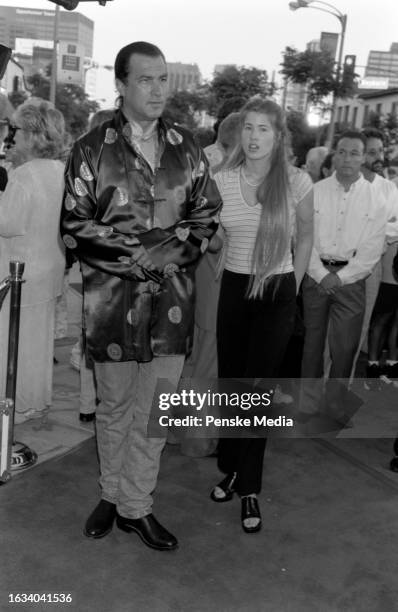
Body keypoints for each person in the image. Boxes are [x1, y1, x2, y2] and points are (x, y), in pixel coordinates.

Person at [60, 41, 221, 551]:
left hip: (171, 301)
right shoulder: (90, 148)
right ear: (122, 84)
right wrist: (137, 257)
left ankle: (136, 507)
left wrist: (164, 257)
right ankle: (110, 494)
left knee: (154, 410)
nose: (157, 90)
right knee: (113, 406)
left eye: (163, 79)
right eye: (146, 79)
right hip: (110, 301)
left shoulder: (188, 147)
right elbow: (74, 224)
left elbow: (206, 215)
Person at [211, 97, 313, 533]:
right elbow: (214, 241)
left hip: (277, 292)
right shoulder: (221, 180)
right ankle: (233, 468)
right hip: (234, 290)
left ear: (278, 136)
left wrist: (293, 284)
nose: (253, 137)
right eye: (248, 128)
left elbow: (306, 236)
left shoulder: (297, 182)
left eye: (263, 130)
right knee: (234, 386)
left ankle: (249, 487)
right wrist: (193, 234)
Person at [301, 130, 388, 420]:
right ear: (333, 155)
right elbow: (302, 237)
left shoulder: (377, 197)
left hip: (352, 280)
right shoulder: (315, 190)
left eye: (354, 153)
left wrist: (341, 277)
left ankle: (335, 405)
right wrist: (319, 272)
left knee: (345, 347)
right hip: (315, 276)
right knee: (312, 344)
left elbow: (373, 247)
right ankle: (309, 402)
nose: (347, 158)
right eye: (341, 152)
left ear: (363, 158)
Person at [0, 102, 66, 423]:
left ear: (34, 135)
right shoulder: (59, 170)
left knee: (14, 344)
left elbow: (7, 223)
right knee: (37, 343)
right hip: (47, 271)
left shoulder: (25, 176)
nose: (11, 138)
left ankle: (14, 406)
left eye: (16, 131)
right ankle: (32, 403)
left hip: (18, 274)